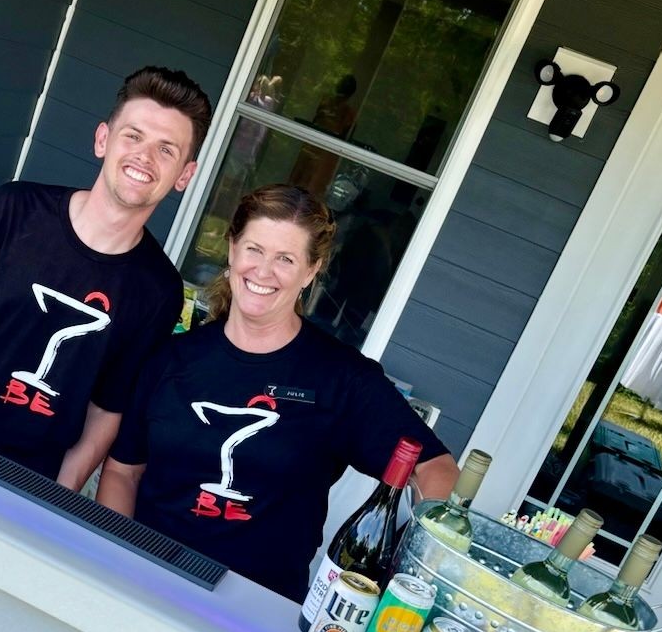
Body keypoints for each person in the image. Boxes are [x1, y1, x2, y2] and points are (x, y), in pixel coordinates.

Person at [97, 184, 459, 602]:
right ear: (232, 250)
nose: (263, 271)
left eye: (285, 258)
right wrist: (117, 560)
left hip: (256, 612)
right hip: (145, 579)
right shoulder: (171, 359)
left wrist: (407, 573)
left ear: (311, 271)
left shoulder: (342, 379)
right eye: (254, 249)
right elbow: (123, 472)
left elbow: (436, 470)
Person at [0, 66, 212, 485]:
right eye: (133, 135)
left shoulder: (159, 291)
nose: (144, 158)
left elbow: (106, 410)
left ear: (184, 174)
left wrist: (58, 496)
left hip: (26, 485)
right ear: (102, 139)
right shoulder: (12, 210)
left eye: (167, 150)